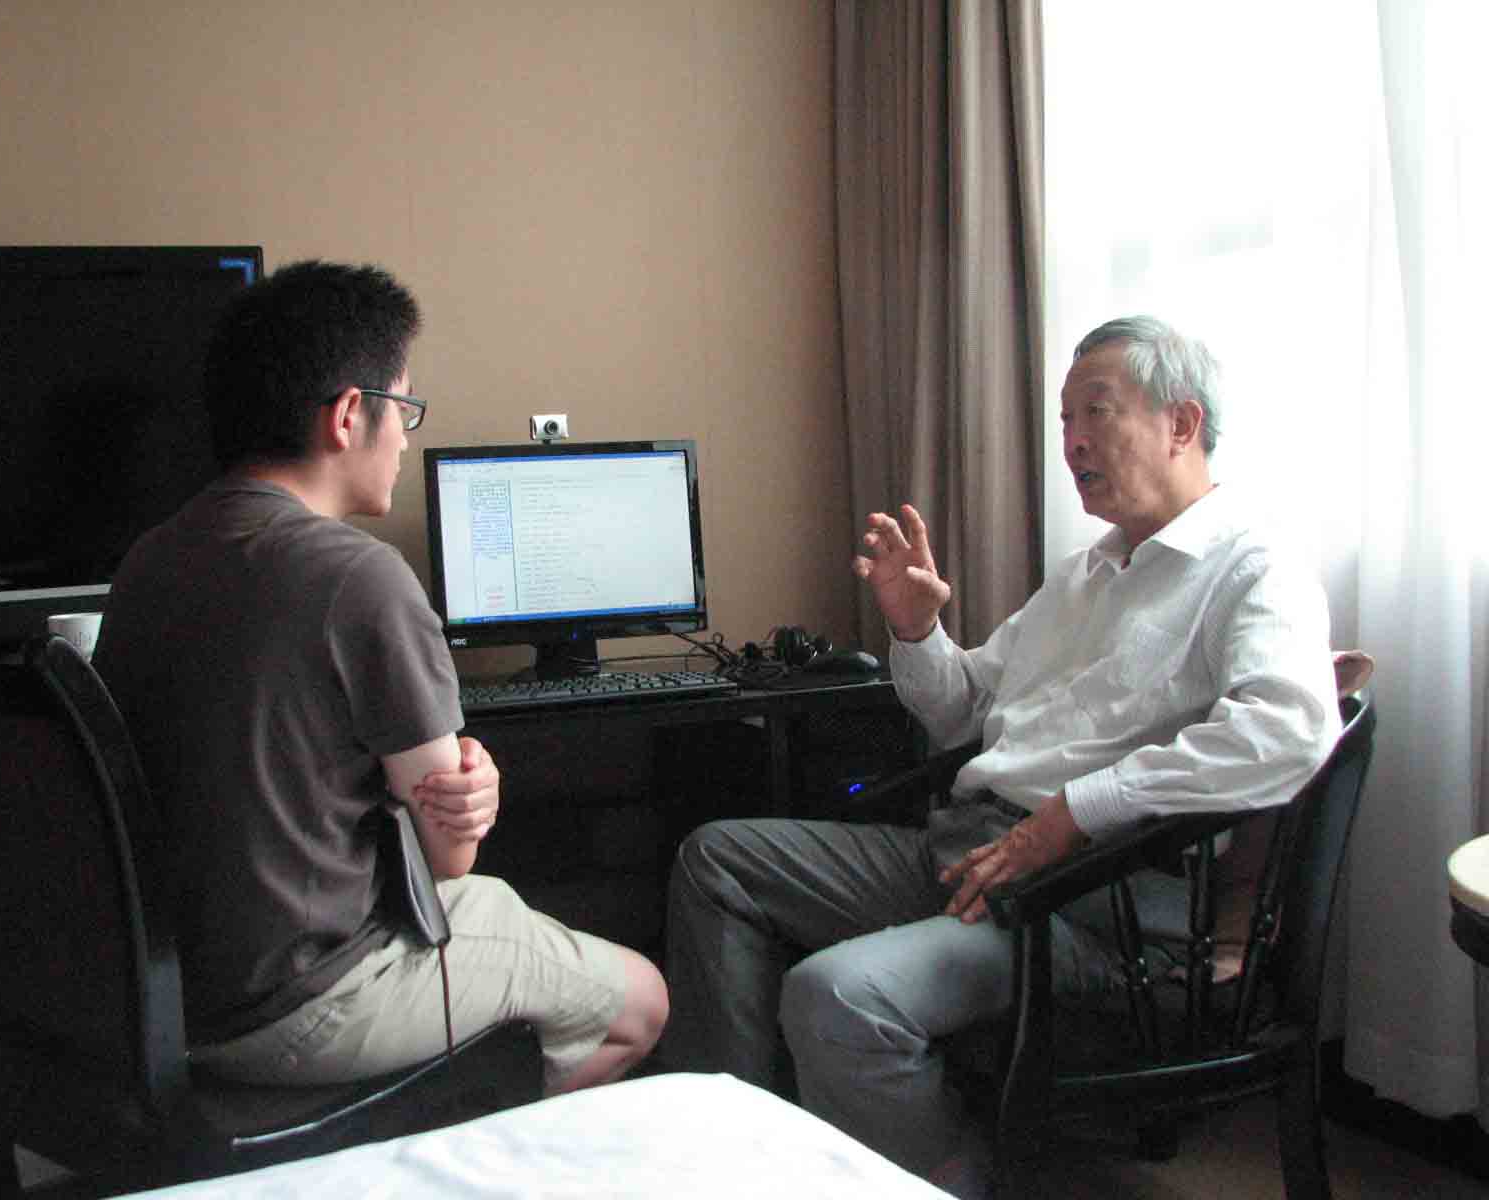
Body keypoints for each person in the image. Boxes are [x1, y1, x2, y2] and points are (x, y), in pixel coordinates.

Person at [657, 316, 1340, 1182]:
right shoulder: (1087, 573)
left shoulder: (1252, 566)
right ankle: (733, 1149)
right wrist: (918, 631)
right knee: (718, 859)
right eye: (1064, 420)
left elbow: (1288, 727)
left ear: (1182, 424)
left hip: (1087, 898)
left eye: (1097, 413)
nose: (1073, 442)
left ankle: (947, 1179)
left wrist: (1078, 811)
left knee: (836, 996)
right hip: (974, 849)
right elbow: (965, 711)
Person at [94, 259, 666, 1096]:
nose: (405, 436)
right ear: (347, 415)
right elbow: (448, 858)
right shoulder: (358, 578)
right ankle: (440, 1143)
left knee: (501, 915)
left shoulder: (151, 560)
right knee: (641, 1003)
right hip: (305, 1002)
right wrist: (470, 799)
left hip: (171, 1003)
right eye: (403, 408)